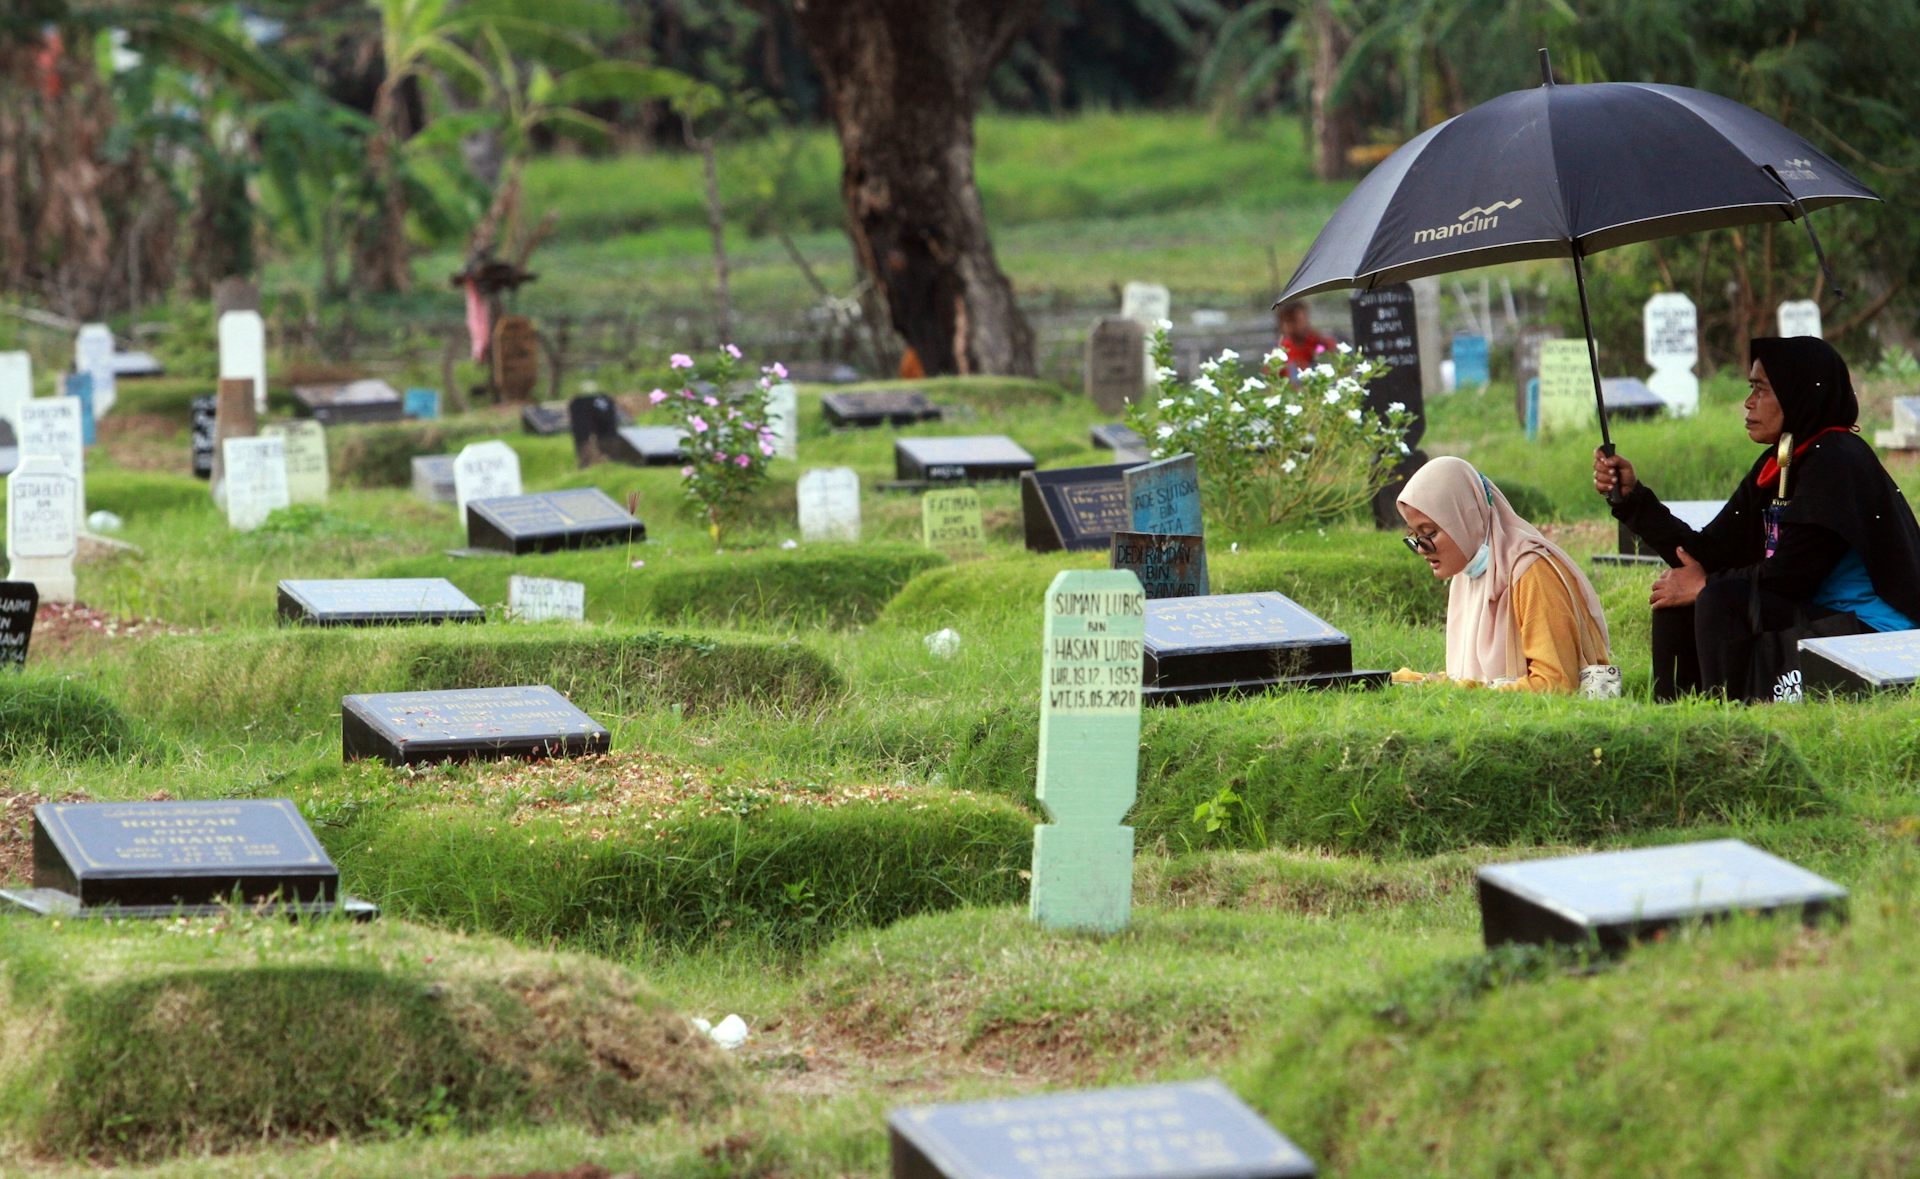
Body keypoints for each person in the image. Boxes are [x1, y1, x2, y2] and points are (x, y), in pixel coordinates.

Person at [1594, 336, 1920, 702]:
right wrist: (1634, 499)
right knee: (1676, 593)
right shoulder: (1780, 460)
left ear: (1799, 393)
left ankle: (1726, 722)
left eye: (1761, 390)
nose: (1748, 403)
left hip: (1876, 633)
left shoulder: (1836, 460)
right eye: (1751, 389)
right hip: (1821, 614)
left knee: (1719, 598)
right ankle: (1674, 714)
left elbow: (1793, 574)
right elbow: (1708, 553)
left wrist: (1705, 586)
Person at [1395, 456, 1611, 692]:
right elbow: (1474, 678)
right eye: (1415, 536)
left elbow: (1556, 683)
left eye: (1429, 533)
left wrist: (1461, 690)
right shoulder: (1467, 573)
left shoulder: (1531, 573)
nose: (1421, 548)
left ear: (1464, 519)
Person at [1275, 300, 1337, 371]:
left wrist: (1318, 353)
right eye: (1296, 321)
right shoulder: (1282, 351)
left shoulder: (1316, 340)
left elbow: (1325, 350)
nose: (1303, 324)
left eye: (1304, 319)